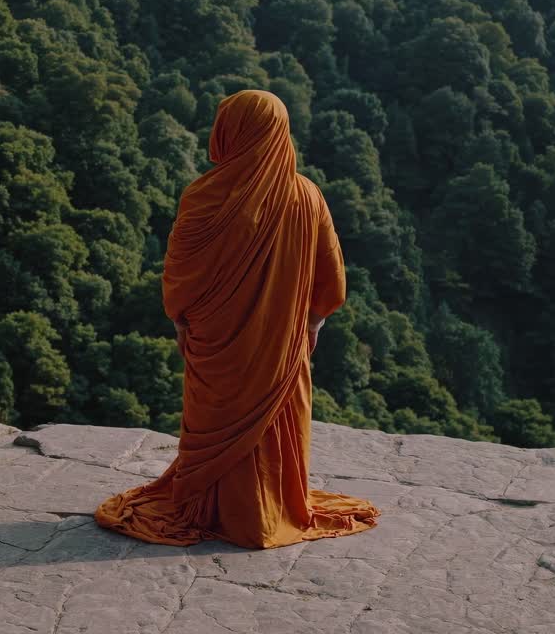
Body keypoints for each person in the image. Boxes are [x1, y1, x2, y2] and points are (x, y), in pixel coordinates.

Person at [94, 89, 380, 549]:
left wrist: (181, 323)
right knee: (273, 429)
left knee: (215, 422)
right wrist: (310, 326)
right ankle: (270, 508)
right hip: (281, 345)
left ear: (227, 132)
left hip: (216, 346)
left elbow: (180, 274)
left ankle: (212, 507)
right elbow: (331, 283)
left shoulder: (204, 196)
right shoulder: (307, 197)